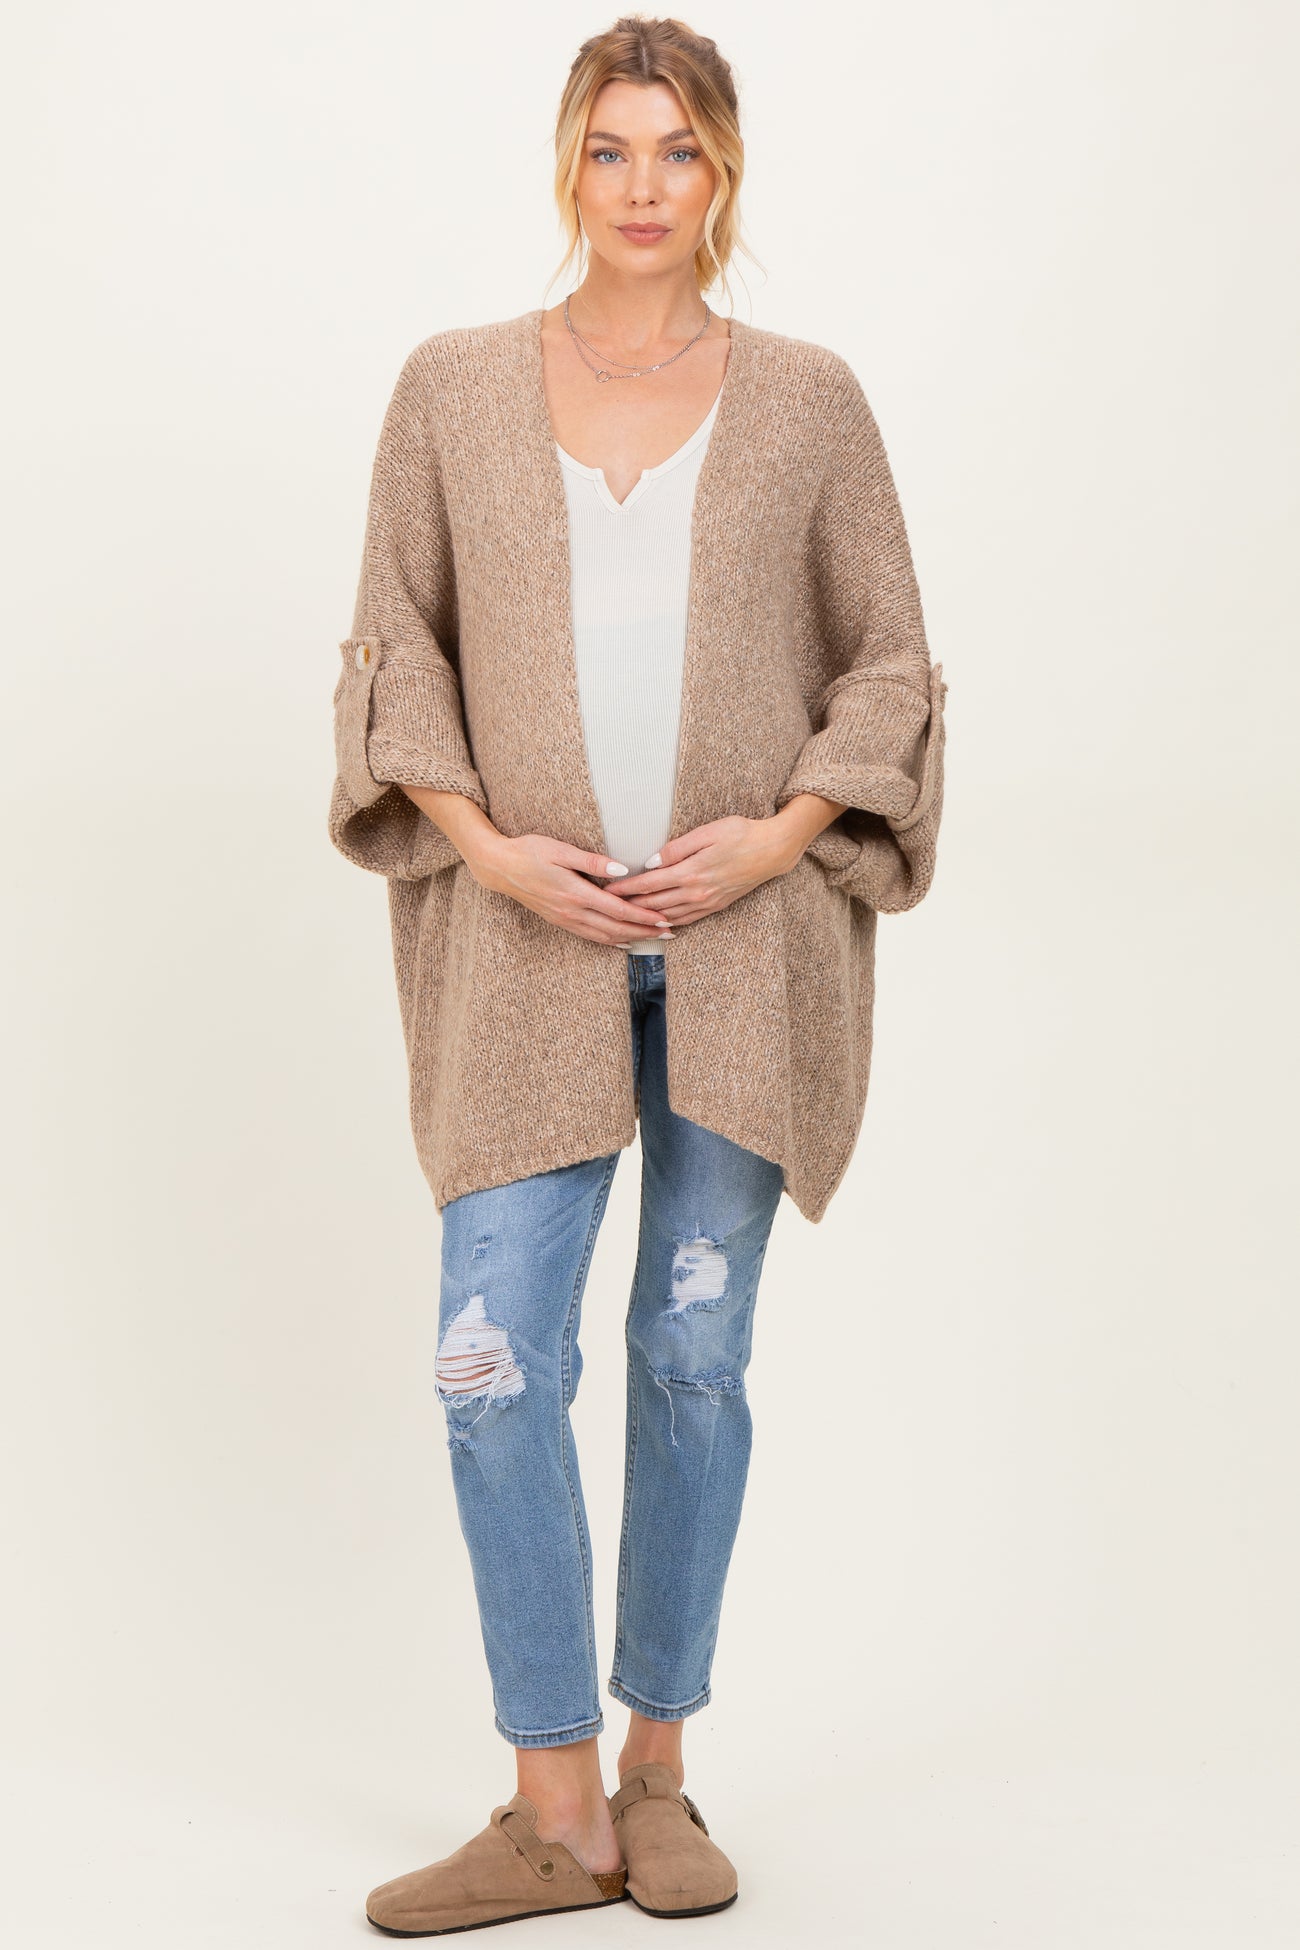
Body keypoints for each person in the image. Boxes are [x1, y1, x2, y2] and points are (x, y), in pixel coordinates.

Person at [328, 15, 948, 1937]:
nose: (645, 186)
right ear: (568, 166)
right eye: (612, 150)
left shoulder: (811, 401)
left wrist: (775, 837)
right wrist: (489, 846)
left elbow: (890, 661)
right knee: (491, 1359)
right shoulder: (451, 388)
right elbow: (395, 647)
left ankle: (658, 1768)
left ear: (725, 170)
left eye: (679, 151)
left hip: (743, 959)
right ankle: (554, 1809)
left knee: (693, 1355)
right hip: (526, 957)